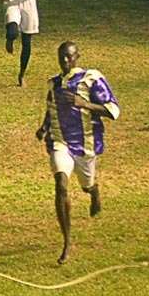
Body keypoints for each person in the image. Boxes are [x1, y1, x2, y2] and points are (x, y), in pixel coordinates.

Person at [37, 40, 120, 264]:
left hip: (85, 145)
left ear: (77, 57)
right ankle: (67, 240)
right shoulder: (53, 84)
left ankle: (94, 192)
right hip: (60, 142)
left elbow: (114, 110)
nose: (65, 61)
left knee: (87, 184)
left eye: (69, 56)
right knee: (61, 185)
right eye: (61, 57)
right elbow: (50, 109)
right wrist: (44, 127)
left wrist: (85, 104)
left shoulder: (92, 78)